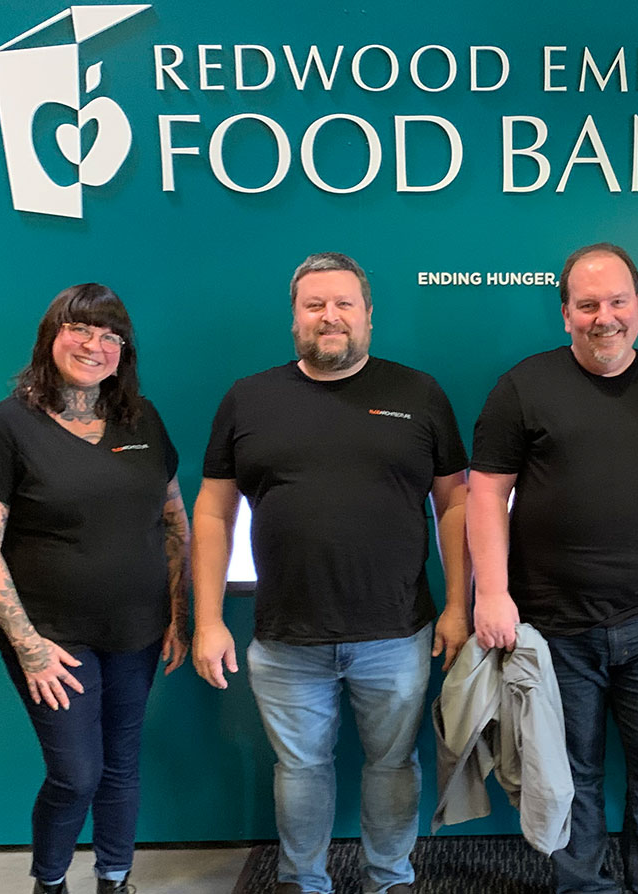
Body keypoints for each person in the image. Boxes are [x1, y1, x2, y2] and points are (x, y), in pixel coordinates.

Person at [190, 252, 469, 894]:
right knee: (300, 767)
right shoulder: (249, 398)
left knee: (394, 765)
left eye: (343, 303)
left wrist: (458, 606)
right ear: (295, 318)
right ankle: (302, 880)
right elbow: (212, 510)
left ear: (369, 314)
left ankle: (390, 878)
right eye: (314, 305)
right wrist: (206, 619)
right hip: (287, 637)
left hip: (397, 632)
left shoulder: (418, 393)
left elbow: (455, 503)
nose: (330, 317)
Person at [470, 242, 638, 894]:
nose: (603, 317)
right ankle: (582, 887)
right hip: (556, 625)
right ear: (565, 314)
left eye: (616, 302)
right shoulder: (523, 386)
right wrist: (489, 592)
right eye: (587, 305)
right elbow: (486, 492)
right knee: (567, 770)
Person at [0, 284, 190, 894]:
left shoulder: (142, 419)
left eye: (110, 336)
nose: (95, 345)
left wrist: (179, 611)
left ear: (124, 352)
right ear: (51, 336)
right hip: (51, 637)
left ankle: (114, 878)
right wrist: (28, 644)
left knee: (121, 766)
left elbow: (173, 518)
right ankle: (51, 882)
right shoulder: (5, 427)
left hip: (137, 629)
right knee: (76, 772)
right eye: (80, 329)